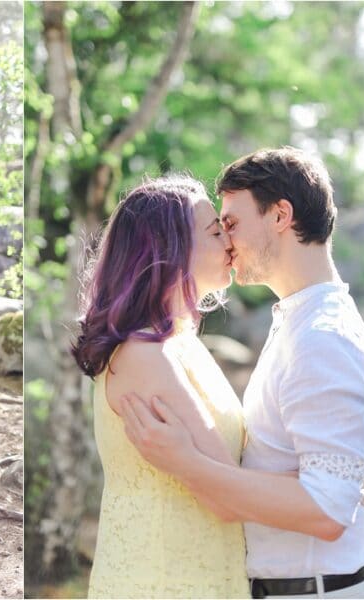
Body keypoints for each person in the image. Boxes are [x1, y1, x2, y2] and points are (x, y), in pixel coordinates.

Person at [118, 148, 364, 598]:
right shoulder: (299, 321)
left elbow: (324, 510)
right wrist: (351, 483)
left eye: (233, 223)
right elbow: (324, 483)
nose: (227, 241)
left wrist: (186, 462)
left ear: (280, 215)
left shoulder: (322, 338)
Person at [72, 174, 251, 598]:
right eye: (214, 231)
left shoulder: (179, 344)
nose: (229, 242)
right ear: (170, 251)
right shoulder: (143, 356)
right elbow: (228, 497)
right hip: (162, 579)